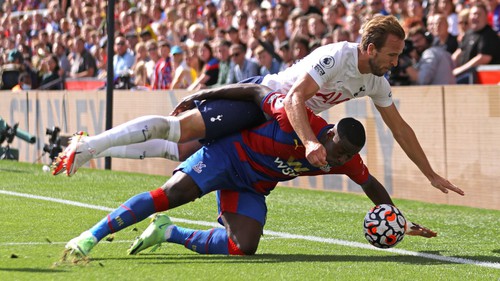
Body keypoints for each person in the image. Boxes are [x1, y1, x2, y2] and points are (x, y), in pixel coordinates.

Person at [54, 15, 464, 197]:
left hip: (289, 122)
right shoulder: (337, 55)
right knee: (177, 131)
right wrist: (308, 142)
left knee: (183, 151)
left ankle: (92, 146)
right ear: (369, 47)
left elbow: (400, 127)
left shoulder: (375, 79)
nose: (395, 63)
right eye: (392, 55)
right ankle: (89, 146)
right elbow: (294, 97)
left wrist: (429, 174)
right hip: (265, 102)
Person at [63, 88, 436, 259]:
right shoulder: (297, 119)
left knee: (244, 247)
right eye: (337, 151)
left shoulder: (346, 159)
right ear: (329, 133)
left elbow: (370, 184)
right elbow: (256, 92)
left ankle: (169, 232)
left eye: (345, 157)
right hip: (226, 155)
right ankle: (91, 236)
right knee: (171, 194)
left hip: (254, 185)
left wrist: (399, 219)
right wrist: (203, 95)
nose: (334, 161)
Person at [451, 3, 500, 84]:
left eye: (479, 14)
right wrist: (447, 65)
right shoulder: (468, 33)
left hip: (479, 79)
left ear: (486, 17)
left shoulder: (489, 35)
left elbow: (483, 58)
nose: (475, 17)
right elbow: (459, 52)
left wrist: (460, 70)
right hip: (464, 74)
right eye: (473, 14)